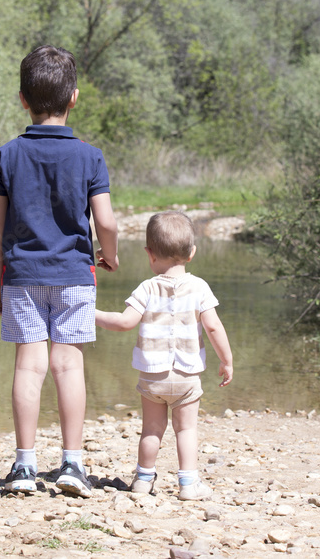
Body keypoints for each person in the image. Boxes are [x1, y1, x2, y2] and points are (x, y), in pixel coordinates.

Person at [0, 45, 119, 498]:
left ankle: (24, 467)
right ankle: (72, 465)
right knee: (68, 365)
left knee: (29, 367)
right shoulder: (90, 157)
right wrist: (110, 253)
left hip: (21, 275)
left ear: (22, 99)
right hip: (76, 276)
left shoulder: (5, 156)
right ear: (74, 98)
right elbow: (106, 221)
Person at [95, 211, 233, 501]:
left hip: (153, 377)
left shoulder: (147, 288)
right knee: (186, 430)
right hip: (186, 377)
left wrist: (90, 314)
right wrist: (226, 360)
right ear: (192, 253)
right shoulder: (199, 288)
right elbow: (213, 326)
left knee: (151, 430)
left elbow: (124, 322)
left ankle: (144, 480)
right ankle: (188, 484)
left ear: (149, 254)